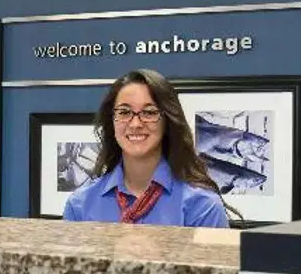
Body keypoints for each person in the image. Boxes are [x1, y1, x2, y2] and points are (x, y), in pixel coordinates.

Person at [62, 69, 229, 227]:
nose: (135, 124)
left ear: (167, 121)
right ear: (112, 121)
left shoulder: (203, 208)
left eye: (149, 113)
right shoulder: (80, 206)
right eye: (124, 112)